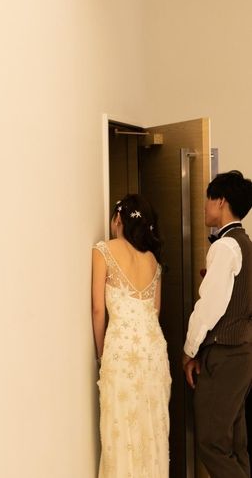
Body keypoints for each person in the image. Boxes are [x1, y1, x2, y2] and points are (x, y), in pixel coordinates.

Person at [92, 194, 171, 477]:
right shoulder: (153, 261)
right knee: (151, 428)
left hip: (121, 350)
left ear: (118, 219)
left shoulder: (103, 250)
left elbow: (98, 310)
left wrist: (100, 354)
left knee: (120, 427)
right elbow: (155, 311)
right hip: (153, 352)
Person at [183, 170, 252, 478]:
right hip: (242, 352)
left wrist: (189, 350)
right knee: (235, 444)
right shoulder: (245, 243)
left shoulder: (225, 247)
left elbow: (210, 307)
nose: (205, 206)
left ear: (221, 201)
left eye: (208, 199)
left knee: (211, 442)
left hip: (225, 354)